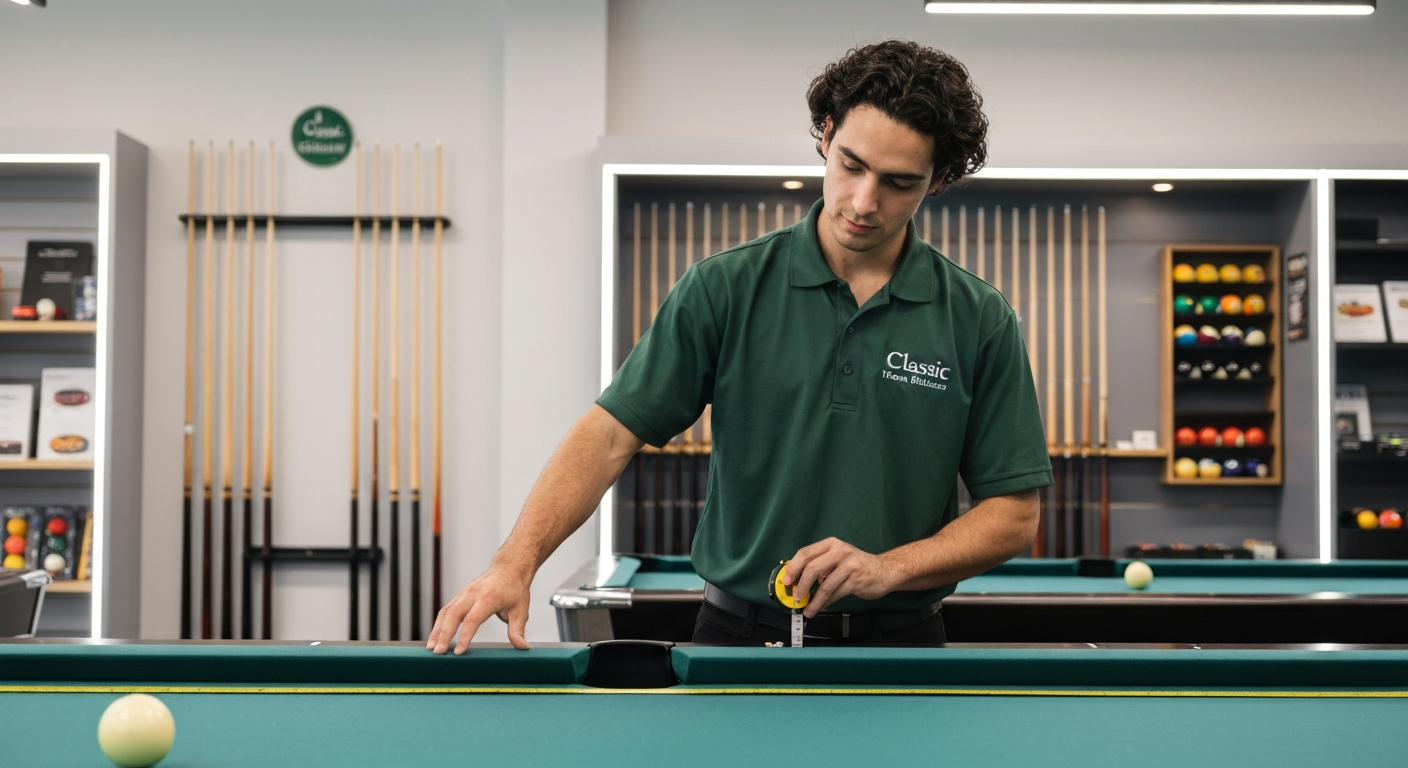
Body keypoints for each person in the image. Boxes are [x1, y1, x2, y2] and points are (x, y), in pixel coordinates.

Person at [427, 39, 1051, 654]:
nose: (864, 202)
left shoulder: (979, 317)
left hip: (904, 644)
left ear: (937, 181)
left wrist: (887, 568)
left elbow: (1013, 513)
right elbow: (611, 433)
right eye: (851, 165)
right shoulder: (725, 287)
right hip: (738, 639)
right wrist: (515, 563)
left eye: (898, 182)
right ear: (826, 135)